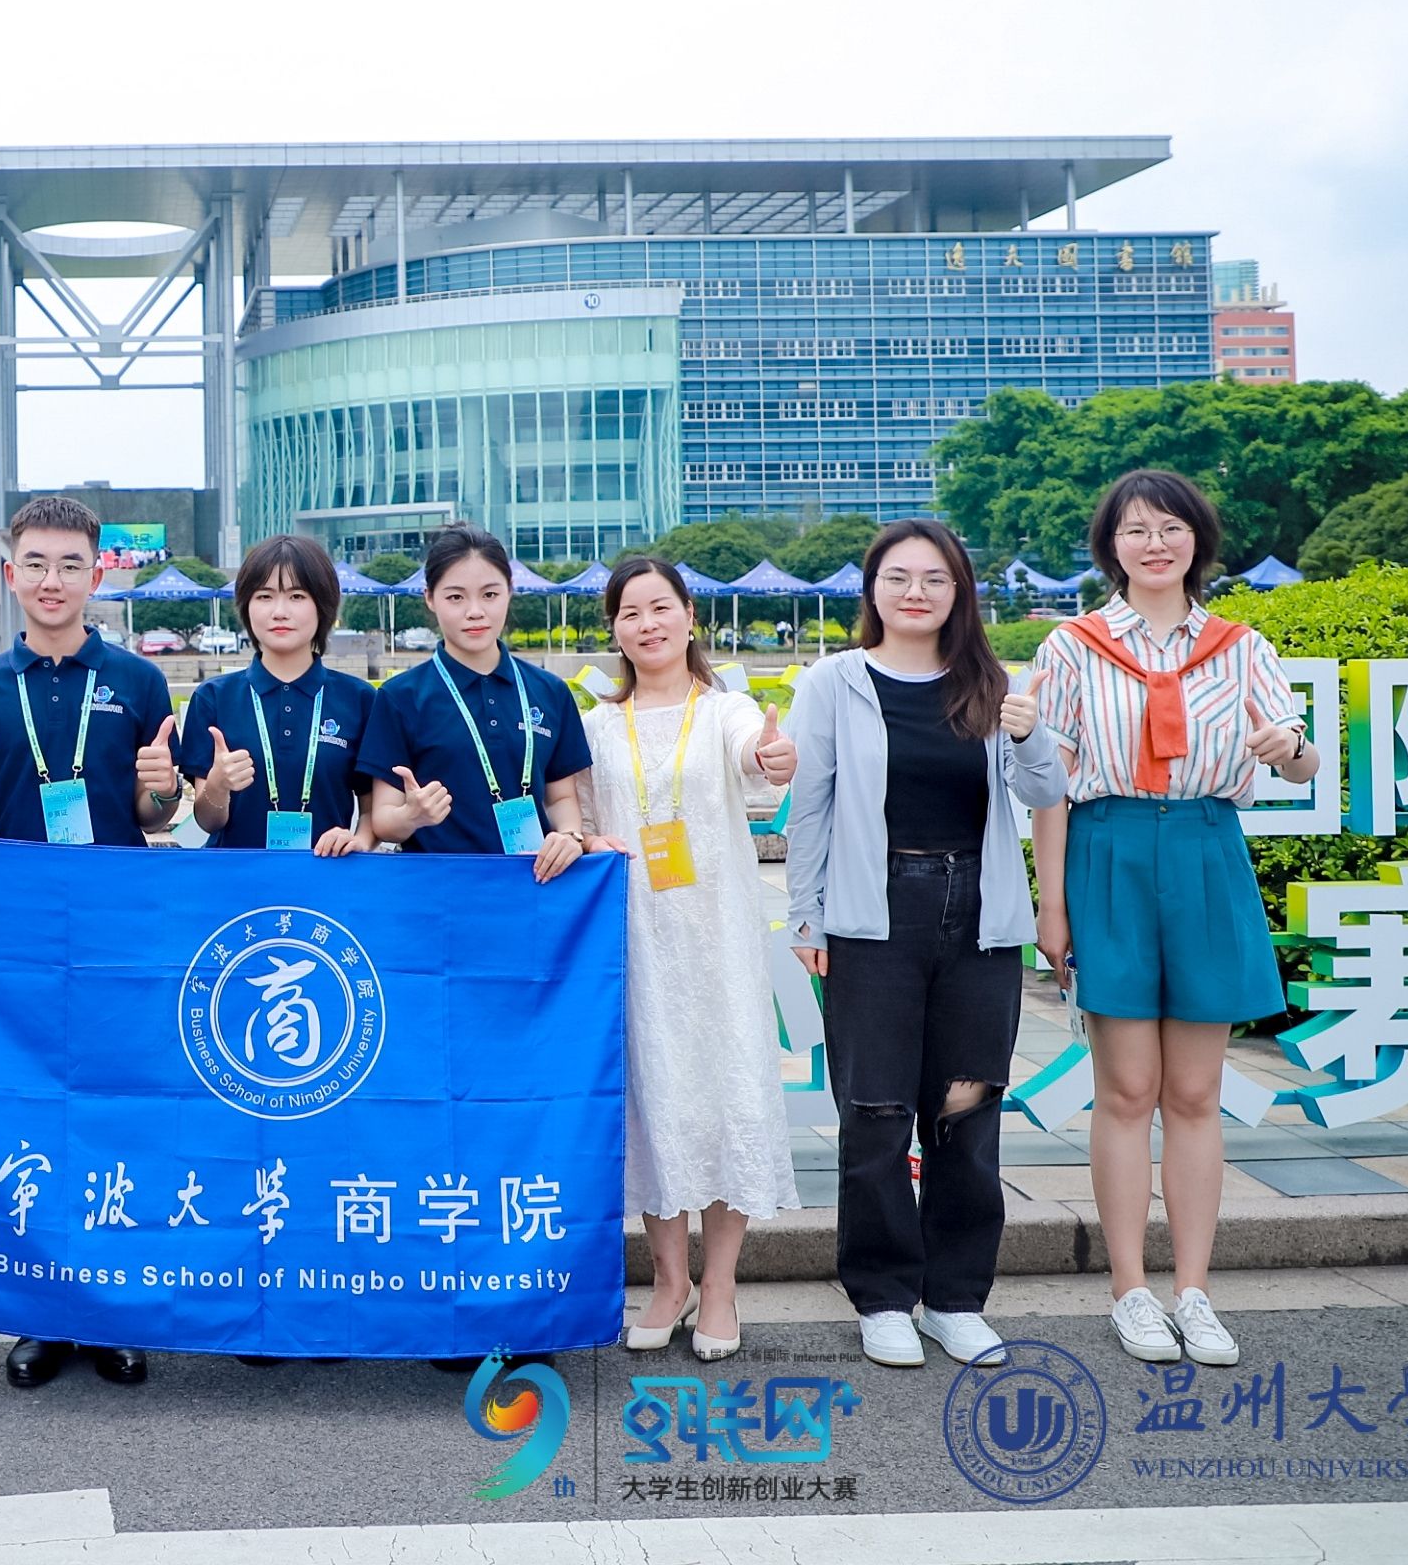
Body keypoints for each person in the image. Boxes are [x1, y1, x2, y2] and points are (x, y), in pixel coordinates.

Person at [1028, 469, 1316, 1371]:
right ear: (1110, 546)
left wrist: (1290, 746)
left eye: (1171, 528)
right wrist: (1051, 904)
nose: (1155, 544)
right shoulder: (1072, 648)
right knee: (1125, 1089)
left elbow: (1301, 762)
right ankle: (1131, 1290)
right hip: (1108, 851)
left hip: (1205, 849)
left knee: (1195, 1092)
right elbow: (1049, 785)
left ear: (1198, 540)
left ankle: (1195, 1291)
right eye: (1136, 530)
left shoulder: (1242, 647)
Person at [783, 519, 1068, 1372]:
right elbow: (810, 805)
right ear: (872, 589)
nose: (916, 592)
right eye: (899, 577)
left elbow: (1045, 792)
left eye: (935, 579)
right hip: (872, 914)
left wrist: (1028, 732)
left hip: (978, 914)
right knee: (874, 1112)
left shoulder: (992, 684)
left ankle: (954, 1299)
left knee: (966, 1109)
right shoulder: (833, 682)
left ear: (959, 592)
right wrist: (806, 916)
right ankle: (882, 1297)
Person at [0, 493, 178, 1389]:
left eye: (70, 564)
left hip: (117, 930)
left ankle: (112, 1309)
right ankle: (42, 1311)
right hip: (17, 935)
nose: (52, 580)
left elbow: (155, 816)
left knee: (115, 1112)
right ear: (11, 573)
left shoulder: (139, 684)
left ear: (97, 572)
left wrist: (164, 788)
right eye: (35, 563)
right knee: (31, 1114)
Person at [579, 556, 799, 1363]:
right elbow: (576, 813)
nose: (648, 624)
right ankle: (669, 1282)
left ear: (690, 617)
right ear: (614, 630)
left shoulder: (726, 711)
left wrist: (771, 756)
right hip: (637, 945)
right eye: (630, 612)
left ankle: (721, 1285)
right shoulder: (598, 727)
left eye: (661, 607)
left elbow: (756, 754)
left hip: (718, 943)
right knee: (656, 1106)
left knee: (726, 1097)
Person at [357, 523, 601, 882]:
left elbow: (560, 798)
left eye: (489, 594)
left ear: (509, 592)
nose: (475, 611)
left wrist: (568, 835)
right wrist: (412, 816)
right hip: (437, 892)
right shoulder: (400, 697)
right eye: (456, 597)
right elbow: (383, 818)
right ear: (430, 598)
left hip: (534, 884)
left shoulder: (549, 691)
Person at [179, 533, 374, 855]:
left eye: (297, 596)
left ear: (322, 604)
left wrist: (360, 840)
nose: (279, 612)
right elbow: (207, 821)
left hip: (326, 876)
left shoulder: (359, 699)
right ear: (246, 606)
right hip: (236, 879)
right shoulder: (213, 698)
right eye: (264, 596)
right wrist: (218, 784)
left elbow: (371, 810)